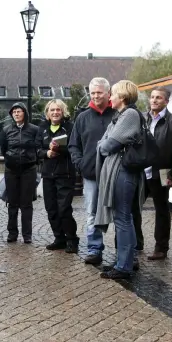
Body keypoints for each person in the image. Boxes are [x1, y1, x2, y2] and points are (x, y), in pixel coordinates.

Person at [95, 80, 145, 279]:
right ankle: (124, 261)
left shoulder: (130, 114)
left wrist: (103, 144)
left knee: (123, 218)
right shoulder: (120, 115)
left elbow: (107, 145)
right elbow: (106, 142)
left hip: (123, 171)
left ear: (123, 97)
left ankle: (124, 266)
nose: (110, 97)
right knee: (124, 218)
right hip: (120, 170)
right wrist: (104, 143)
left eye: (113, 94)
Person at [68, 78, 117, 265]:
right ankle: (94, 249)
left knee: (121, 214)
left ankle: (124, 251)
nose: (96, 96)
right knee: (92, 213)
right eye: (93, 93)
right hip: (91, 174)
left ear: (108, 93)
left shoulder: (118, 114)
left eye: (99, 92)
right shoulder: (82, 118)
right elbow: (74, 145)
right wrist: (81, 164)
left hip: (115, 173)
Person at [132, 87, 172, 261]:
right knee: (133, 208)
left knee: (161, 210)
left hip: (162, 172)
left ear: (166, 101)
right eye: (152, 97)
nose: (154, 100)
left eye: (158, 98)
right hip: (140, 171)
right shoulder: (141, 119)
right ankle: (136, 243)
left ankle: (161, 248)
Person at [38, 99, 79, 253]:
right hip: (48, 174)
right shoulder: (42, 128)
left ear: (63, 112)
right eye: (52, 110)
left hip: (65, 174)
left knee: (64, 208)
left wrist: (59, 148)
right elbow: (36, 149)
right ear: (47, 113)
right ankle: (59, 238)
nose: (55, 112)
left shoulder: (70, 127)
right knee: (51, 209)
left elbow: (75, 148)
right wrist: (46, 153)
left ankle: (72, 239)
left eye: (58, 110)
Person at [0, 102, 41, 244]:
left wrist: (32, 160)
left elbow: (38, 147)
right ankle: (12, 233)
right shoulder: (6, 130)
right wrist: (11, 160)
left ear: (25, 113)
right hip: (11, 170)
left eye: (19, 111)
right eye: (14, 112)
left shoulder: (34, 129)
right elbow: (3, 149)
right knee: (12, 203)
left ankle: (27, 234)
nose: (16, 114)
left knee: (26, 203)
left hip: (29, 170)